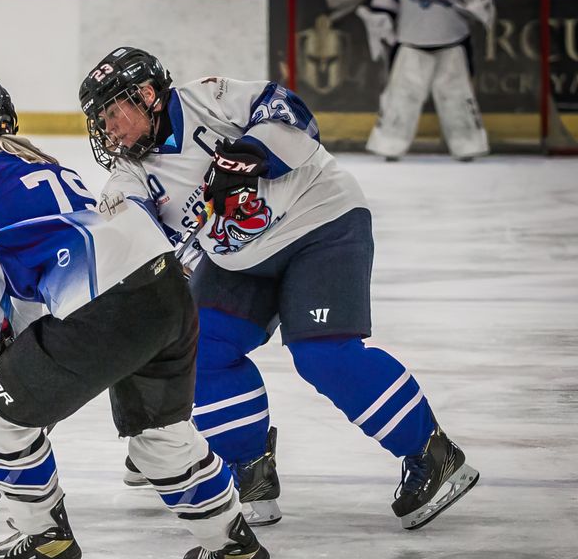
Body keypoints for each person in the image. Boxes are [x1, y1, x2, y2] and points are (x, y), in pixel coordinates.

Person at [79, 47, 480, 532]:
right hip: (238, 260)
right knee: (199, 348)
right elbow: (129, 240)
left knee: (323, 354)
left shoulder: (209, 98)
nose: (109, 129)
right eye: (100, 119)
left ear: (147, 96)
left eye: (113, 112)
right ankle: (249, 470)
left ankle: (432, 454)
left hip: (320, 221)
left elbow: (288, 110)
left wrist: (249, 155)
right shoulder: (130, 176)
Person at [0, 77, 279, 559]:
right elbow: (34, 293)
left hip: (108, 311)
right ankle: (231, 543)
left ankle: (45, 544)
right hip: (168, 291)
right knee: (157, 432)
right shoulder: (39, 163)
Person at [365, 0, 495, 161]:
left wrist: (476, 6)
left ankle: (467, 147)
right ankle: (390, 146)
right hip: (410, 38)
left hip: (452, 38)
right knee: (401, 97)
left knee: (456, 97)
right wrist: (381, 20)